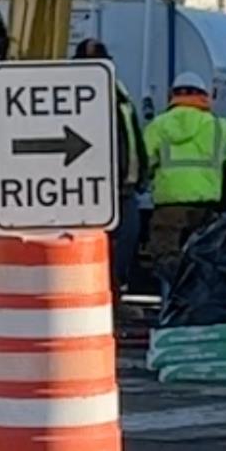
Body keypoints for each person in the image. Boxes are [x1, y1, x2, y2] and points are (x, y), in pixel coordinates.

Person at [140, 71, 226, 286]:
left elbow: (145, 161)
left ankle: (170, 305)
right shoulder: (218, 126)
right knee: (204, 257)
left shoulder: (158, 126)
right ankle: (198, 303)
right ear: (204, 95)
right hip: (205, 206)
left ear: (173, 95)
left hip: (168, 205)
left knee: (166, 256)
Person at [74, 38, 146, 285]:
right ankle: (104, 295)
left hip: (124, 187)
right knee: (99, 249)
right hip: (99, 190)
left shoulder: (117, 91)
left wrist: (140, 174)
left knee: (126, 243)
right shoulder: (78, 96)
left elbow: (131, 134)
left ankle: (113, 294)